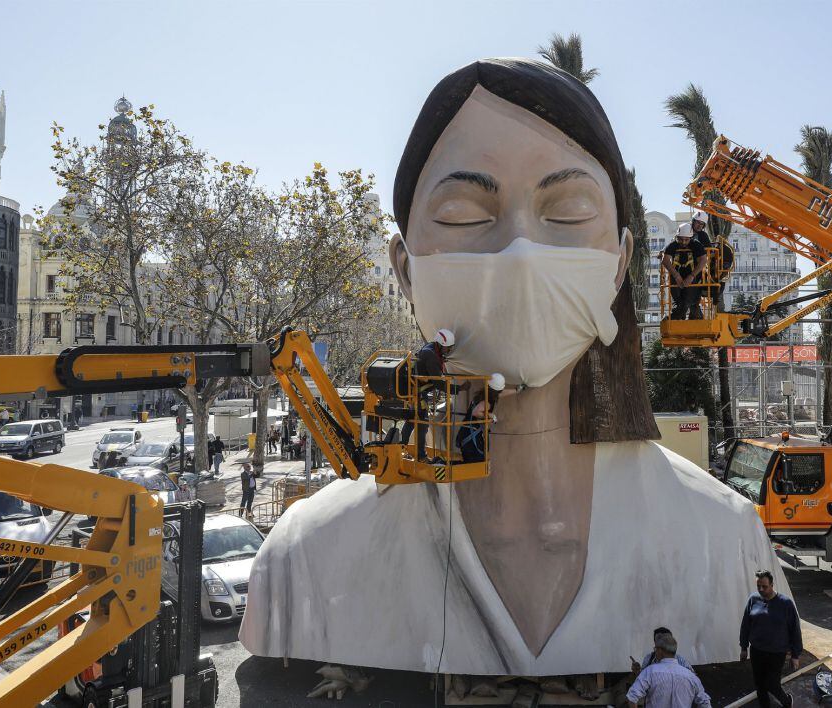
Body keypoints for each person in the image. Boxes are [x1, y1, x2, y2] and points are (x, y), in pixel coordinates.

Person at [241, 57, 785, 677]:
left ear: (619, 262)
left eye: (568, 212)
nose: (521, 252)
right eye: (465, 217)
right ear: (405, 270)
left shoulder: (725, 540)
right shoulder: (304, 561)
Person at [739, 570, 803, 708]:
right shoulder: (753, 599)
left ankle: (787, 702)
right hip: (757, 651)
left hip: (776, 652)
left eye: (764, 586)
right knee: (760, 685)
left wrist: (795, 655)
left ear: (772, 584)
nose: (761, 590)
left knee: (772, 684)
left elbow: (795, 630)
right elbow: (745, 625)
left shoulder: (785, 604)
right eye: (758, 586)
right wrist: (744, 647)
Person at [400, 328, 454, 463]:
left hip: (413, 391)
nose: (448, 351)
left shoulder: (430, 348)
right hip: (417, 393)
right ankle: (421, 456)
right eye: (447, 348)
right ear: (440, 344)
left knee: (411, 420)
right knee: (422, 424)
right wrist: (458, 389)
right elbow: (438, 383)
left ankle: (401, 448)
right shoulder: (430, 354)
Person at [626, 632, 711, 708]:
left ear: (660, 651)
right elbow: (705, 702)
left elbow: (632, 696)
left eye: (655, 649)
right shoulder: (691, 676)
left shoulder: (650, 672)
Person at [457, 373, 505, 463]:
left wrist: (517, 390)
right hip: (470, 437)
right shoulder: (487, 401)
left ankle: (440, 463)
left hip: (467, 434)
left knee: (476, 460)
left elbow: (501, 394)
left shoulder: (484, 394)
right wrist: (490, 416)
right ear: (498, 390)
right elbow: (476, 412)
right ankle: (440, 463)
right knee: (477, 461)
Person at [662, 223, 699, 321]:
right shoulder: (673, 245)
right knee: (678, 302)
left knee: (688, 302)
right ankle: (678, 319)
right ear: (677, 237)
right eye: (681, 239)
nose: (683, 242)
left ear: (691, 238)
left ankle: (672, 319)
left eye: (686, 240)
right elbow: (665, 260)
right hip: (675, 280)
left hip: (692, 279)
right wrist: (676, 276)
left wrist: (691, 276)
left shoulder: (696, 244)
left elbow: (703, 260)